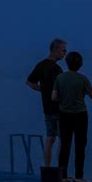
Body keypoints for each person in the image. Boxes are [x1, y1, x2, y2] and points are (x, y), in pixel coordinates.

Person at [51, 51, 92, 182]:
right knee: (80, 145)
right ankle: (79, 176)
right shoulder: (83, 78)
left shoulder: (59, 78)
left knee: (65, 145)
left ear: (67, 63)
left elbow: (54, 97)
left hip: (64, 115)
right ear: (80, 64)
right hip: (80, 115)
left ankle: (63, 176)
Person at [26, 38, 67, 167]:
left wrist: (43, 91)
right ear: (55, 50)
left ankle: (47, 168)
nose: (65, 53)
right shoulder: (57, 69)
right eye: (63, 50)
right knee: (63, 139)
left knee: (50, 138)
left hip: (47, 108)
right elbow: (62, 90)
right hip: (60, 108)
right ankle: (61, 171)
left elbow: (30, 82)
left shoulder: (40, 65)